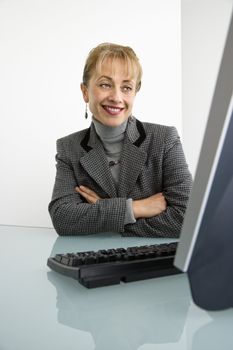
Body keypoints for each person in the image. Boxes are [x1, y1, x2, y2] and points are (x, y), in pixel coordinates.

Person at [48, 42, 192, 237]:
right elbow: (63, 219)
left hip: (149, 262)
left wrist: (103, 209)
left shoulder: (164, 139)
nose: (116, 97)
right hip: (96, 260)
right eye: (105, 85)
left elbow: (186, 219)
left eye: (126, 87)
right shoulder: (69, 148)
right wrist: (134, 209)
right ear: (85, 91)